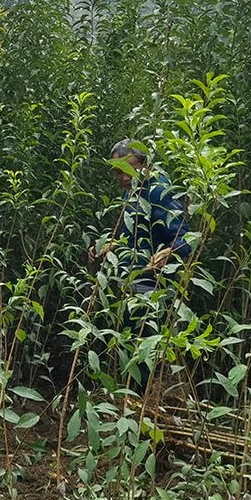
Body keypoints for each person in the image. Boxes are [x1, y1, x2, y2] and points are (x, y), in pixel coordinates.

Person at [92, 139, 191, 390]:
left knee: (145, 344)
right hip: (130, 280)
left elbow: (185, 238)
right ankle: (131, 397)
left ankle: (142, 398)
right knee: (127, 344)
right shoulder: (133, 193)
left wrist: (169, 251)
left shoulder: (159, 191)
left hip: (152, 284)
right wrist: (110, 245)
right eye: (116, 171)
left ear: (144, 164)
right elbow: (133, 236)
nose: (122, 176)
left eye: (127, 168)